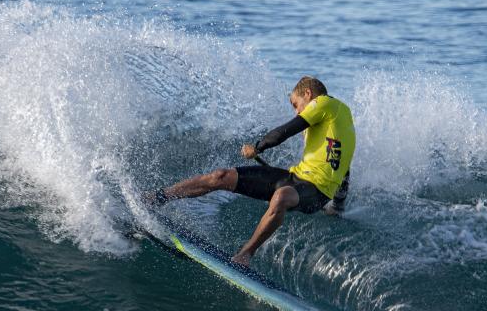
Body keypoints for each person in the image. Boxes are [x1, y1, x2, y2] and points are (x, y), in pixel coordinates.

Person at [144, 76, 355, 266]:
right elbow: (343, 167)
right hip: (296, 178)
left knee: (281, 196)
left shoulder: (323, 103)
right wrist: (338, 206)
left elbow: (286, 130)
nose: (297, 111)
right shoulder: (336, 121)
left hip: (316, 192)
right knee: (221, 176)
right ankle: (159, 197)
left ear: (307, 94)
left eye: (296, 104)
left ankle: (245, 255)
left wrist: (258, 147)